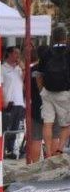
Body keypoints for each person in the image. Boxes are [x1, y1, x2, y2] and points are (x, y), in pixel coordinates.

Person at [35, 25, 70, 157]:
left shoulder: (46, 53)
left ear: (53, 38)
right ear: (65, 38)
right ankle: (60, 150)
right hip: (64, 93)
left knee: (47, 123)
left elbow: (38, 74)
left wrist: (42, 91)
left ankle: (48, 153)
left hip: (47, 93)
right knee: (66, 124)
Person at [2, 46, 25, 159]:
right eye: (16, 53)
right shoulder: (2, 68)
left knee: (15, 128)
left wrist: (23, 69)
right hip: (9, 102)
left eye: (18, 53)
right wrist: (2, 100)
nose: (17, 56)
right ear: (9, 54)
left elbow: (25, 82)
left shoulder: (19, 68)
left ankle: (11, 150)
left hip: (19, 101)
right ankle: (4, 149)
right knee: (7, 127)